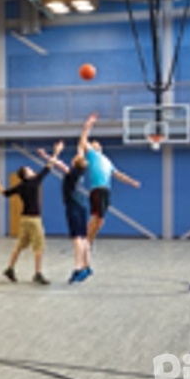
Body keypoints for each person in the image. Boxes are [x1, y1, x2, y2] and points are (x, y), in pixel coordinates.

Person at [72, 113, 141, 266]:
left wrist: (131, 182)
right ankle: (86, 244)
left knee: (100, 221)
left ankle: (89, 241)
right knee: (96, 218)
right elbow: (83, 140)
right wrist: (88, 125)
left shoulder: (108, 161)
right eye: (93, 143)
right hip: (97, 190)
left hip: (106, 191)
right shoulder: (92, 155)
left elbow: (118, 175)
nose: (95, 143)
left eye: (97, 143)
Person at [37, 141, 90, 284]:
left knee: (77, 238)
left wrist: (49, 154)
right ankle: (87, 266)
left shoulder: (71, 172)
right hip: (82, 207)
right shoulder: (81, 171)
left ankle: (78, 268)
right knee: (84, 238)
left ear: (74, 163)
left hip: (73, 207)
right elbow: (80, 154)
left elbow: (57, 163)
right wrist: (86, 131)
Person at [0, 162, 51, 285]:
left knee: (19, 245)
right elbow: (48, 167)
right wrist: (56, 152)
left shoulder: (21, 186)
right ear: (26, 175)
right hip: (34, 219)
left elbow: (5, 193)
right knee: (39, 246)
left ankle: (10, 268)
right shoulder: (34, 181)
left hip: (24, 219)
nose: (31, 169)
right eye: (28, 169)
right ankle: (38, 273)